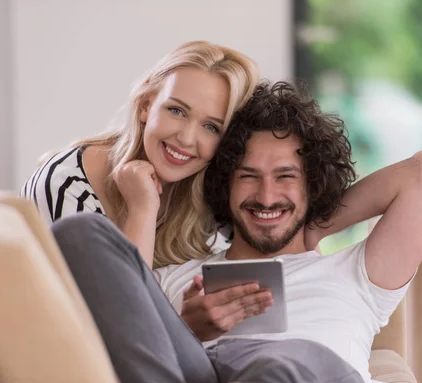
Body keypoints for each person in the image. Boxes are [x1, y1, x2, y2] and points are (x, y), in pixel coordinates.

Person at [51, 81, 422, 383]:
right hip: (202, 381)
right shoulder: (177, 277)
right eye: (249, 176)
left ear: (314, 186)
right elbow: (121, 334)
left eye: (287, 177)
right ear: (225, 184)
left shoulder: (356, 274)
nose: (267, 196)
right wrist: (188, 328)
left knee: (290, 360)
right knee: (79, 233)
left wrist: (316, 224)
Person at [20, 40, 259, 268]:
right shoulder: (64, 185)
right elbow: (117, 306)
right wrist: (142, 210)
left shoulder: (211, 190)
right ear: (146, 106)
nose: (186, 138)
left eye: (211, 127)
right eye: (176, 110)